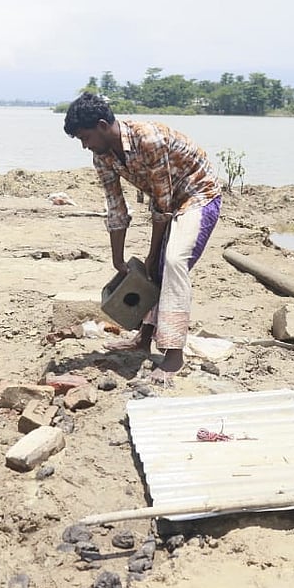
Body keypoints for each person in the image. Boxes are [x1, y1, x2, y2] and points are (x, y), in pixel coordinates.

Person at [63, 93, 222, 385]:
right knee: (154, 268)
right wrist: (118, 259)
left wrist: (151, 254)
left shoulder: (148, 139)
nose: (85, 146)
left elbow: (162, 204)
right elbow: (116, 207)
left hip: (198, 195)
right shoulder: (102, 157)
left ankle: (173, 355)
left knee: (171, 262)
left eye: (85, 138)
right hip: (169, 201)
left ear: (101, 125)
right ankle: (143, 339)